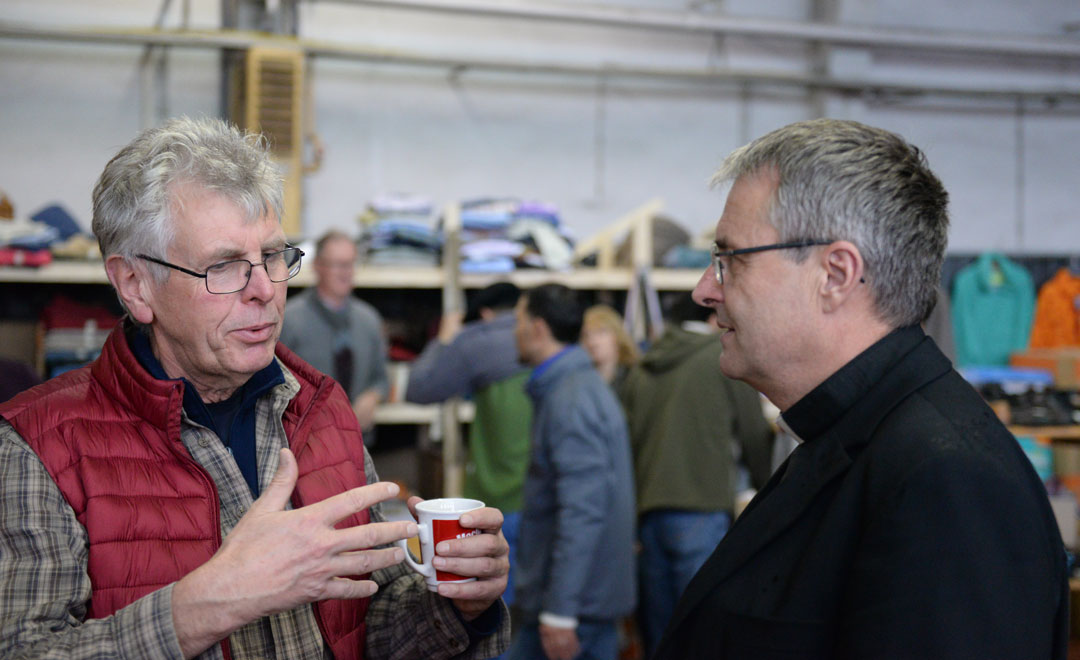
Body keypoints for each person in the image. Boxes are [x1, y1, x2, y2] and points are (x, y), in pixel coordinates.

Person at [0, 116, 509, 660]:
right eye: (223, 266)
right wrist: (208, 604)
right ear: (135, 285)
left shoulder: (321, 409)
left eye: (271, 255)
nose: (265, 289)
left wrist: (457, 607)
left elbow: (369, 625)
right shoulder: (37, 447)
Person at [653, 118, 1068, 659]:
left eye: (730, 260)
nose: (705, 289)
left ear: (835, 274)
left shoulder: (947, 483)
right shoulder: (853, 435)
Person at [619, 292, 773, 657]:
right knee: (703, 630)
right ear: (712, 318)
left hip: (648, 514)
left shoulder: (643, 366)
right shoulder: (722, 358)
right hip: (703, 507)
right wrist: (768, 486)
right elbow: (752, 430)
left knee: (661, 635)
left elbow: (627, 443)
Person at [508, 284, 636, 660]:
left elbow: (583, 510)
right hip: (581, 600)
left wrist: (560, 611)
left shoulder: (571, 399)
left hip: (575, 608)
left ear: (538, 328)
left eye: (518, 321)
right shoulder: (572, 387)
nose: (514, 332)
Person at [405, 281, 532, 607]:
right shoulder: (552, 335)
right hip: (548, 496)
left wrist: (444, 339)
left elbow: (419, 388)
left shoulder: (476, 340)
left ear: (485, 313)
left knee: (492, 601)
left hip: (500, 493)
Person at [279, 230, 389, 438]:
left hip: (359, 441)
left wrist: (373, 396)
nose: (346, 272)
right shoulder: (289, 320)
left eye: (350, 264)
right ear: (317, 266)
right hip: (306, 442)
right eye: (338, 264)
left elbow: (381, 378)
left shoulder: (369, 320)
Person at [580, 304, 638, 392]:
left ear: (617, 336)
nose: (592, 342)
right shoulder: (578, 381)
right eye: (586, 335)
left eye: (600, 332)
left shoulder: (634, 377)